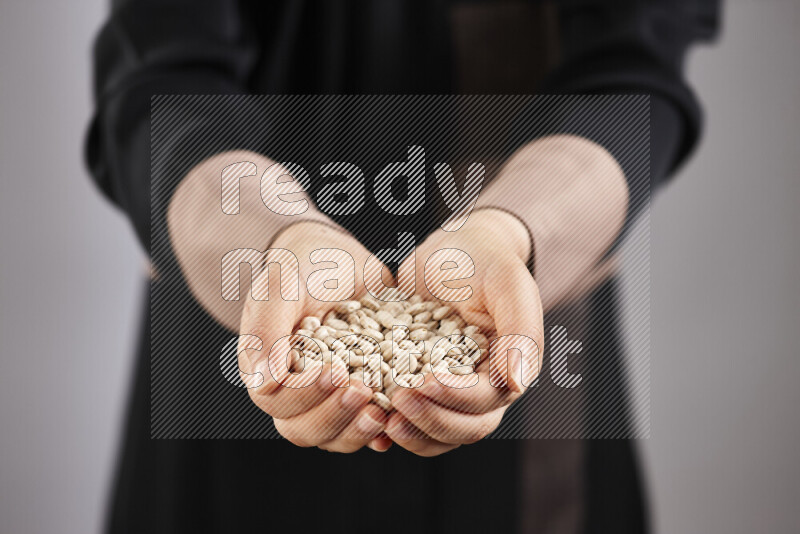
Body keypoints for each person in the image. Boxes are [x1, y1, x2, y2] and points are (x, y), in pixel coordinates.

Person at [86, 1, 719, 532]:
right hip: (250, 308)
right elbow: (161, 75)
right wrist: (274, 237)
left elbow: (634, 68)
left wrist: (510, 231)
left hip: (518, 309)